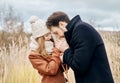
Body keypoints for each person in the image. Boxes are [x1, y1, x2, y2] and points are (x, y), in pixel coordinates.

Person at [46, 11, 114, 83]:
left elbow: (79, 66)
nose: (58, 36)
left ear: (61, 24)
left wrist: (65, 51)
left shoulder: (81, 30)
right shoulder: (77, 30)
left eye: (56, 33)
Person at [28, 16, 66, 83]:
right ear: (39, 38)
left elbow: (64, 69)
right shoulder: (34, 55)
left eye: (49, 34)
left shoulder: (52, 46)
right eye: (46, 35)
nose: (49, 37)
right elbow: (51, 70)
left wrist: (64, 55)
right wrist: (56, 50)